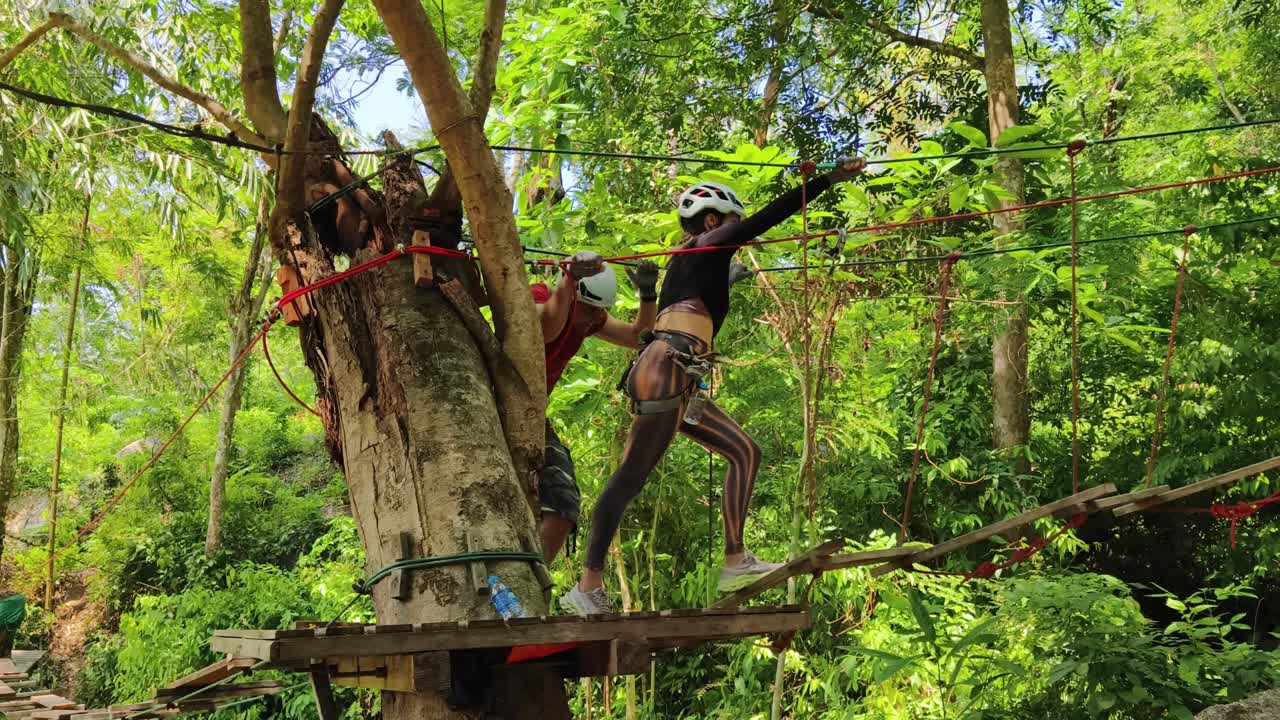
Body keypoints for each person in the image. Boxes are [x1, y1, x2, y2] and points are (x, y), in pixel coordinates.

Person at [561, 158, 867, 616]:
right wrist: (827, 180)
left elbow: (696, 291)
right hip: (668, 364)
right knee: (629, 478)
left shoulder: (689, 259)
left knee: (745, 452)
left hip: (675, 372)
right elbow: (768, 220)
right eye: (730, 224)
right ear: (711, 221)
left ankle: (735, 559)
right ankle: (587, 585)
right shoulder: (709, 239)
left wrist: (729, 279)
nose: (734, 234)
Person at [535, 251, 660, 561]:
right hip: (503, 403)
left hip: (534, 415)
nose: (594, 320)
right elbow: (546, 326)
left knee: (563, 504)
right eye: (589, 310)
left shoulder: (588, 320)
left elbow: (638, 337)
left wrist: (647, 294)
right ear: (575, 296)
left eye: (599, 313)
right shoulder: (540, 295)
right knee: (555, 498)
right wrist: (569, 280)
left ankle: (532, 579)